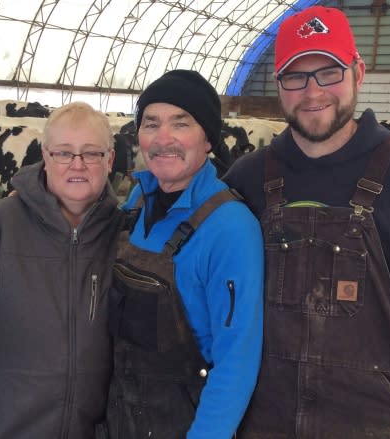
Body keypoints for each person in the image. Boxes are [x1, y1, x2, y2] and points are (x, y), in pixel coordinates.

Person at [223, 6, 390, 438]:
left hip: (373, 425)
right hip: (261, 422)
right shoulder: (248, 178)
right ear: (279, 85)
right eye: (296, 76)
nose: (312, 92)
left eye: (328, 72)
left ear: (358, 72)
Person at [0, 102, 124, 438]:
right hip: (11, 428)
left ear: (109, 160)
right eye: (64, 153)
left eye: (91, 153)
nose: (77, 165)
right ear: (45, 157)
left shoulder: (126, 233)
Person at [106, 70, 264, 438]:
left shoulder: (230, 228)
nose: (163, 139)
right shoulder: (136, 202)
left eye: (181, 123)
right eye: (151, 124)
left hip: (183, 424)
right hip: (119, 418)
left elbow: (236, 361)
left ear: (208, 138)